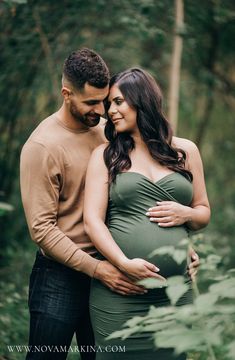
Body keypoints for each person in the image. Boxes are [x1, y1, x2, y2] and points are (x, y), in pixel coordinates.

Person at [20, 49, 199, 360]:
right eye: (91, 103)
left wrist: (179, 243)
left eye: (105, 100)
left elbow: (133, 197)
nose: (102, 110)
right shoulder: (43, 146)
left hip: (115, 273)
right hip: (63, 275)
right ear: (66, 94)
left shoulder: (111, 131)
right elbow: (41, 229)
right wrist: (99, 269)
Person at [84, 68, 210, 359]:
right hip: (121, 293)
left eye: (118, 102)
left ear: (142, 100)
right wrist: (124, 263)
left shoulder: (185, 151)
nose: (110, 111)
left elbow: (204, 212)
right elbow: (92, 221)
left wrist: (185, 213)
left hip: (176, 295)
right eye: (109, 105)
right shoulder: (106, 156)